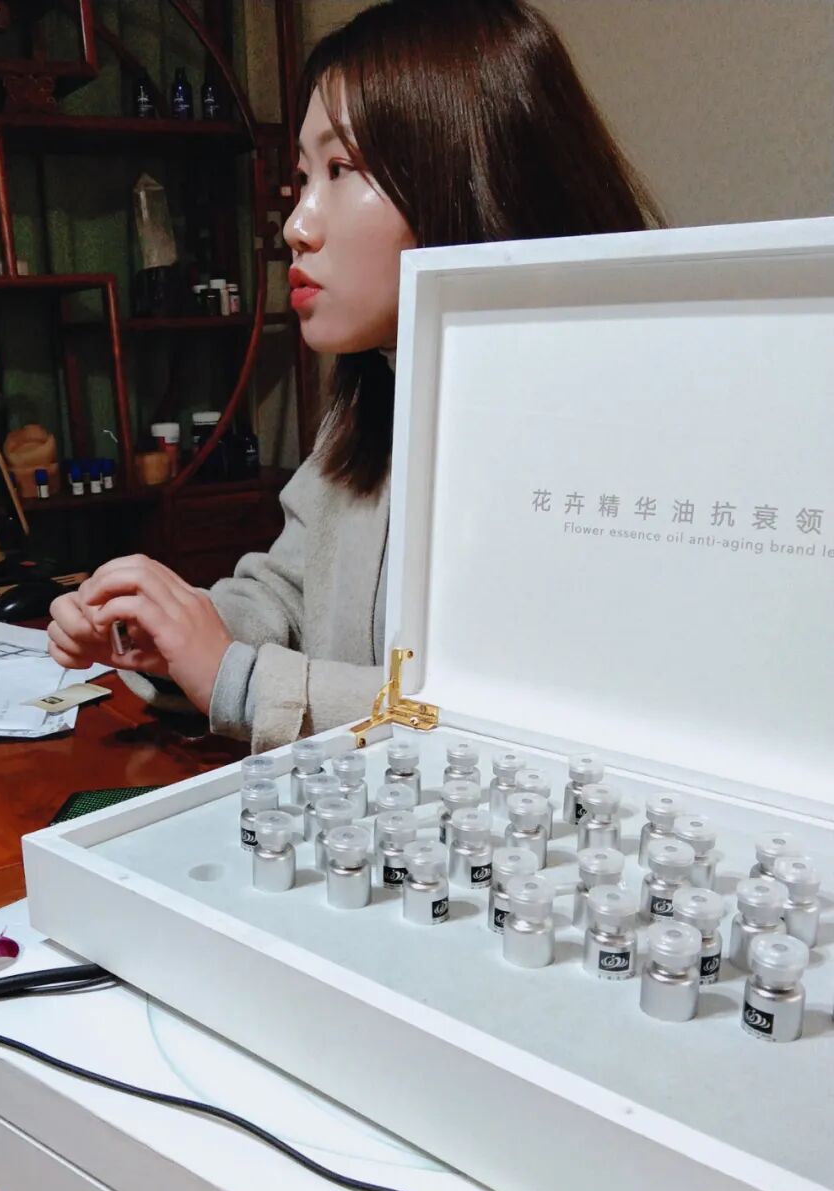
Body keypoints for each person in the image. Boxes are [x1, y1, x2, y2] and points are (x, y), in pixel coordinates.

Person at [47, 0, 662, 751]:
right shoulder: (375, 397)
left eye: (341, 170)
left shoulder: (604, 428)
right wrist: (170, 631)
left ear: (473, 172)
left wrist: (242, 682)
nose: (297, 225)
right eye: (303, 177)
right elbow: (287, 591)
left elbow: (526, 711)